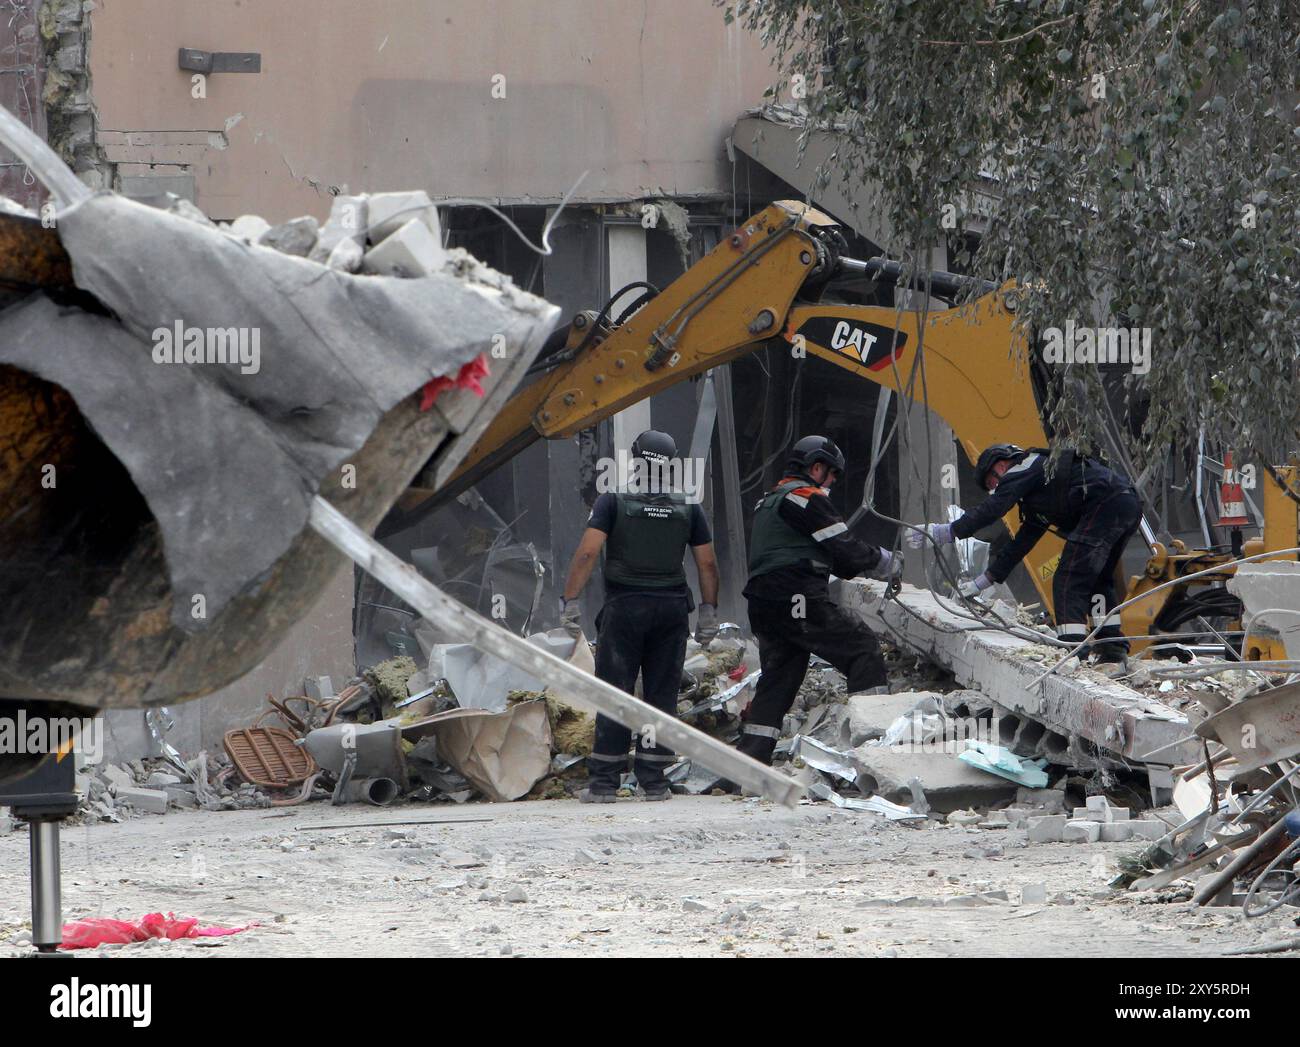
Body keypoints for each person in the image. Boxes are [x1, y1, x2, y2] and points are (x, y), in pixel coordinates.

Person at [712, 435, 902, 790]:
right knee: (861, 648)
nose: (831, 483)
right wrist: (885, 561)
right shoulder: (807, 498)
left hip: (764, 602)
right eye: (831, 475)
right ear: (816, 467)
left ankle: (745, 768)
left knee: (779, 678)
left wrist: (856, 562)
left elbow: (832, 558)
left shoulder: (768, 502)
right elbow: (846, 551)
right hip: (795, 593)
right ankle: (873, 749)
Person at [559, 429, 720, 803]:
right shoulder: (688, 505)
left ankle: (603, 785)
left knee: (616, 693)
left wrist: (570, 599)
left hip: (625, 609)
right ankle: (654, 782)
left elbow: (586, 554)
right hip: (671, 611)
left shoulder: (612, 501)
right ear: (673, 462)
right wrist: (709, 611)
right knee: (660, 695)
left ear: (634, 459)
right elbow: (707, 564)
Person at [907, 443, 1142, 663]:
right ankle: (1112, 650)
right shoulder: (1040, 494)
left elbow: (994, 508)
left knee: (1069, 578)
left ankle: (1073, 651)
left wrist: (949, 531)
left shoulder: (1025, 466)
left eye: (993, 484)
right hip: (1125, 503)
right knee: (1098, 578)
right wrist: (984, 581)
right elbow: (1021, 543)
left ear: (1000, 466)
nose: (996, 490)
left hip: (1104, 505)